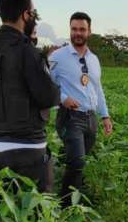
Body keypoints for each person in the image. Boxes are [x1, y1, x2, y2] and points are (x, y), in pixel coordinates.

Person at [0, 0, 60, 192]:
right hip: (28, 150)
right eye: (31, 13)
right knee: (35, 217)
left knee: (2, 216)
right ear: (25, 14)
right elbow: (48, 97)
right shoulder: (27, 51)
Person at [48, 12, 113, 204]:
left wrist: (105, 116)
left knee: (79, 162)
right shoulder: (57, 57)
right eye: (74, 29)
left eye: (82, 29)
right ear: (70, 30)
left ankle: (74, 195)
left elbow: (97, 88)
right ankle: (67, 206)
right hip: (70, 116)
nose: (78, 33)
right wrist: (62, 98)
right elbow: (44, 84)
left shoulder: (94, 59)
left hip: (90, 118)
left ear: (89, 31)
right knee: (77, 162)